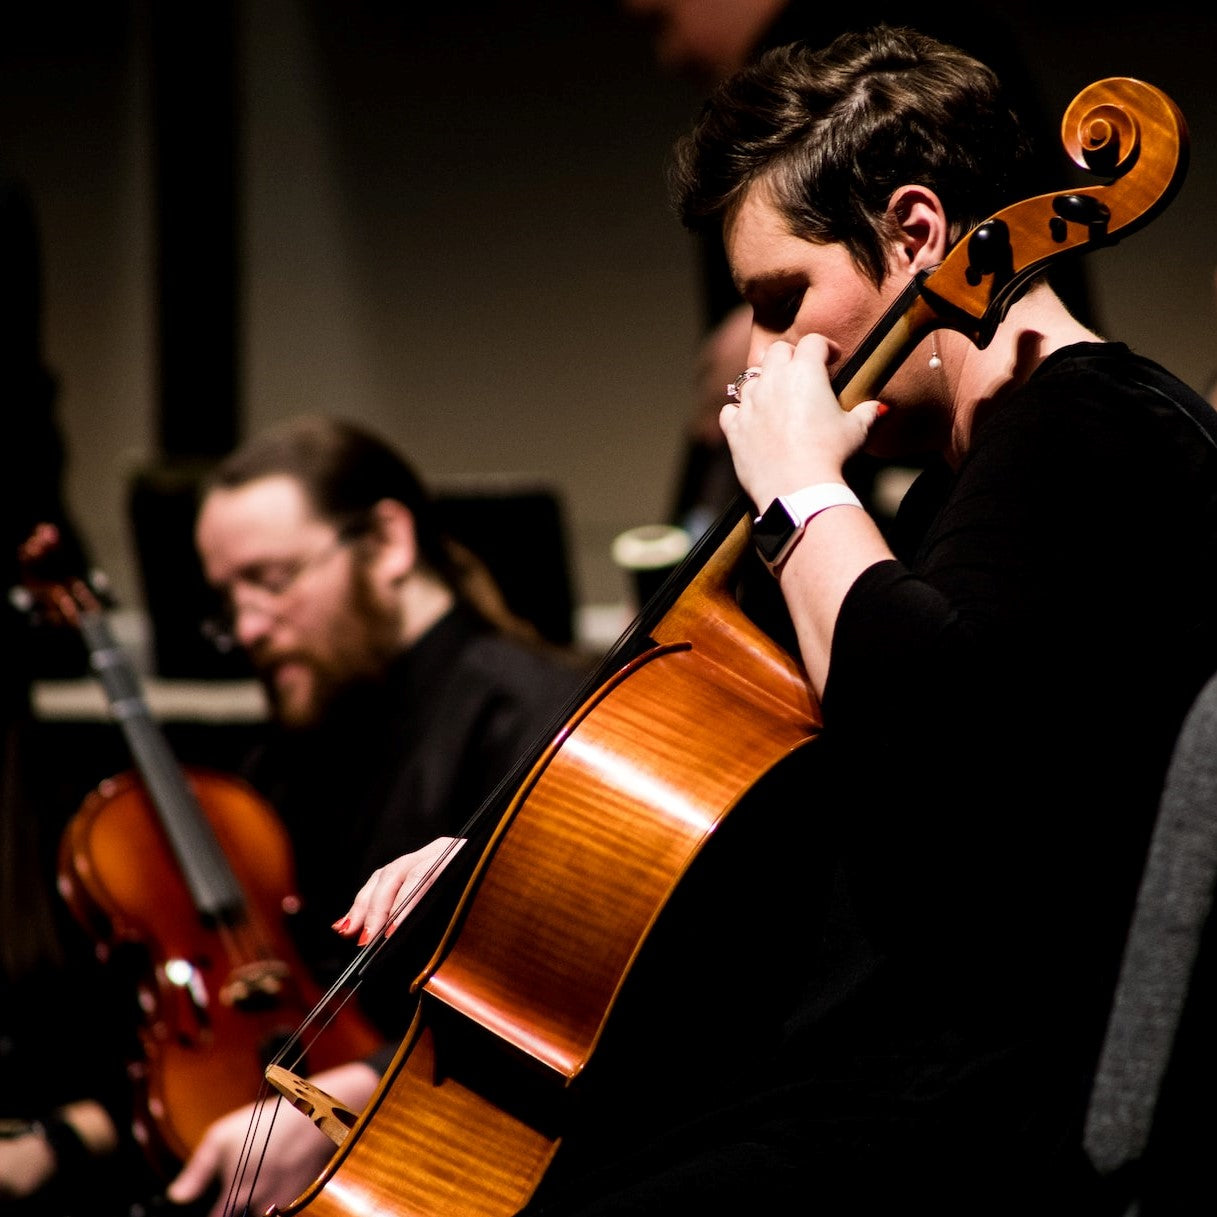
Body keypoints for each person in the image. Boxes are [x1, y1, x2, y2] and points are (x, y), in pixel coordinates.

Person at [333, 27, 1217, 1214]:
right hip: (885, 1091)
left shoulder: (1085, 428)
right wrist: (522, 872)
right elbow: (812, 816)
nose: (759, 355)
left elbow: (937, 751)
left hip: (966, 1132)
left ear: (915, 233)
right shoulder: (965, 474)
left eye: (778, 298)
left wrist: (804, 494)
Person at [164, 415, 586, 1217]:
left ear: (388, 542)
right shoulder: (298, 743)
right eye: (229, 599)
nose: (249, 626)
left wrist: (351, 1092)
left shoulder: (536, 716)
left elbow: (561, 1006)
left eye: (273, 578)